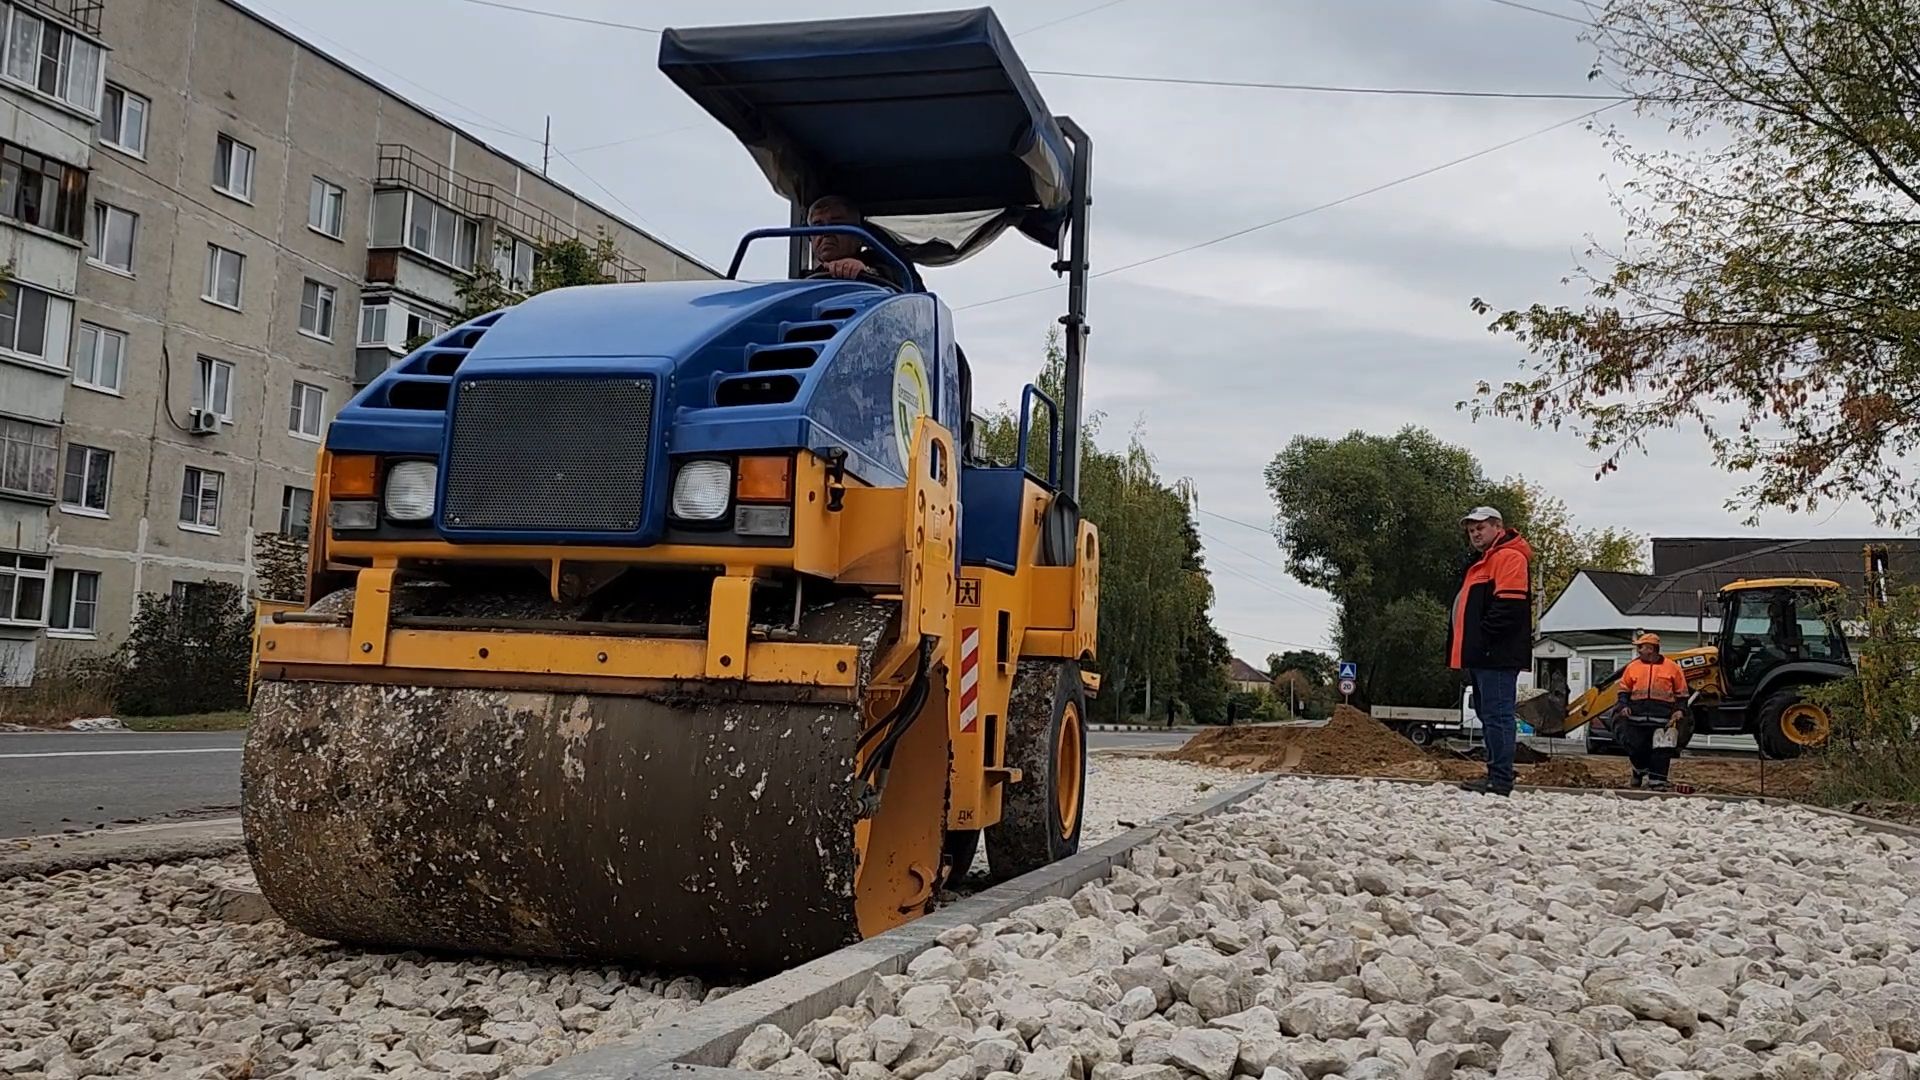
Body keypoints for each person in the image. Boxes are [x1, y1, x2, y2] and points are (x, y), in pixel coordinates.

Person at [1448, 506, 1534, 797]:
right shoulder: (1486, 561)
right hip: (1484, 654)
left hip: (1495, 655)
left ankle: (1500, 779)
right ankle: (1497, 773)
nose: (1475, 533)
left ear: (1498, 527)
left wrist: (1481, 641)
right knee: (1490, 715)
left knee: (1497, 715)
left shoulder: (1508, 557)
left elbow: (1509, 608)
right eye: (1471, 530)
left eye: (1480, 527)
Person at [1612, 633, 1689, 790]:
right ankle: (1639, 770)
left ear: (1651, 649)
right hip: (1636, 718)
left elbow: (1682, 693)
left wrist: (1679, 710)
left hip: (1662, 718)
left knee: (1662, 750)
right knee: (1636, 748)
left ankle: (1657, 782)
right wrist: (1623, 706)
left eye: (1641, 647)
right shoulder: (1632, 667)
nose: (1639, 650)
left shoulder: (1672, 668)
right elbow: (1624, 690)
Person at [804, 195, 903, 287]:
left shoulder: (883, 261)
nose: (826, 233)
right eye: (818, 226)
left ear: (858, 236)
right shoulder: (806, 279)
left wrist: (866, 271)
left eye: (836, 224)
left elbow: (897, 283)